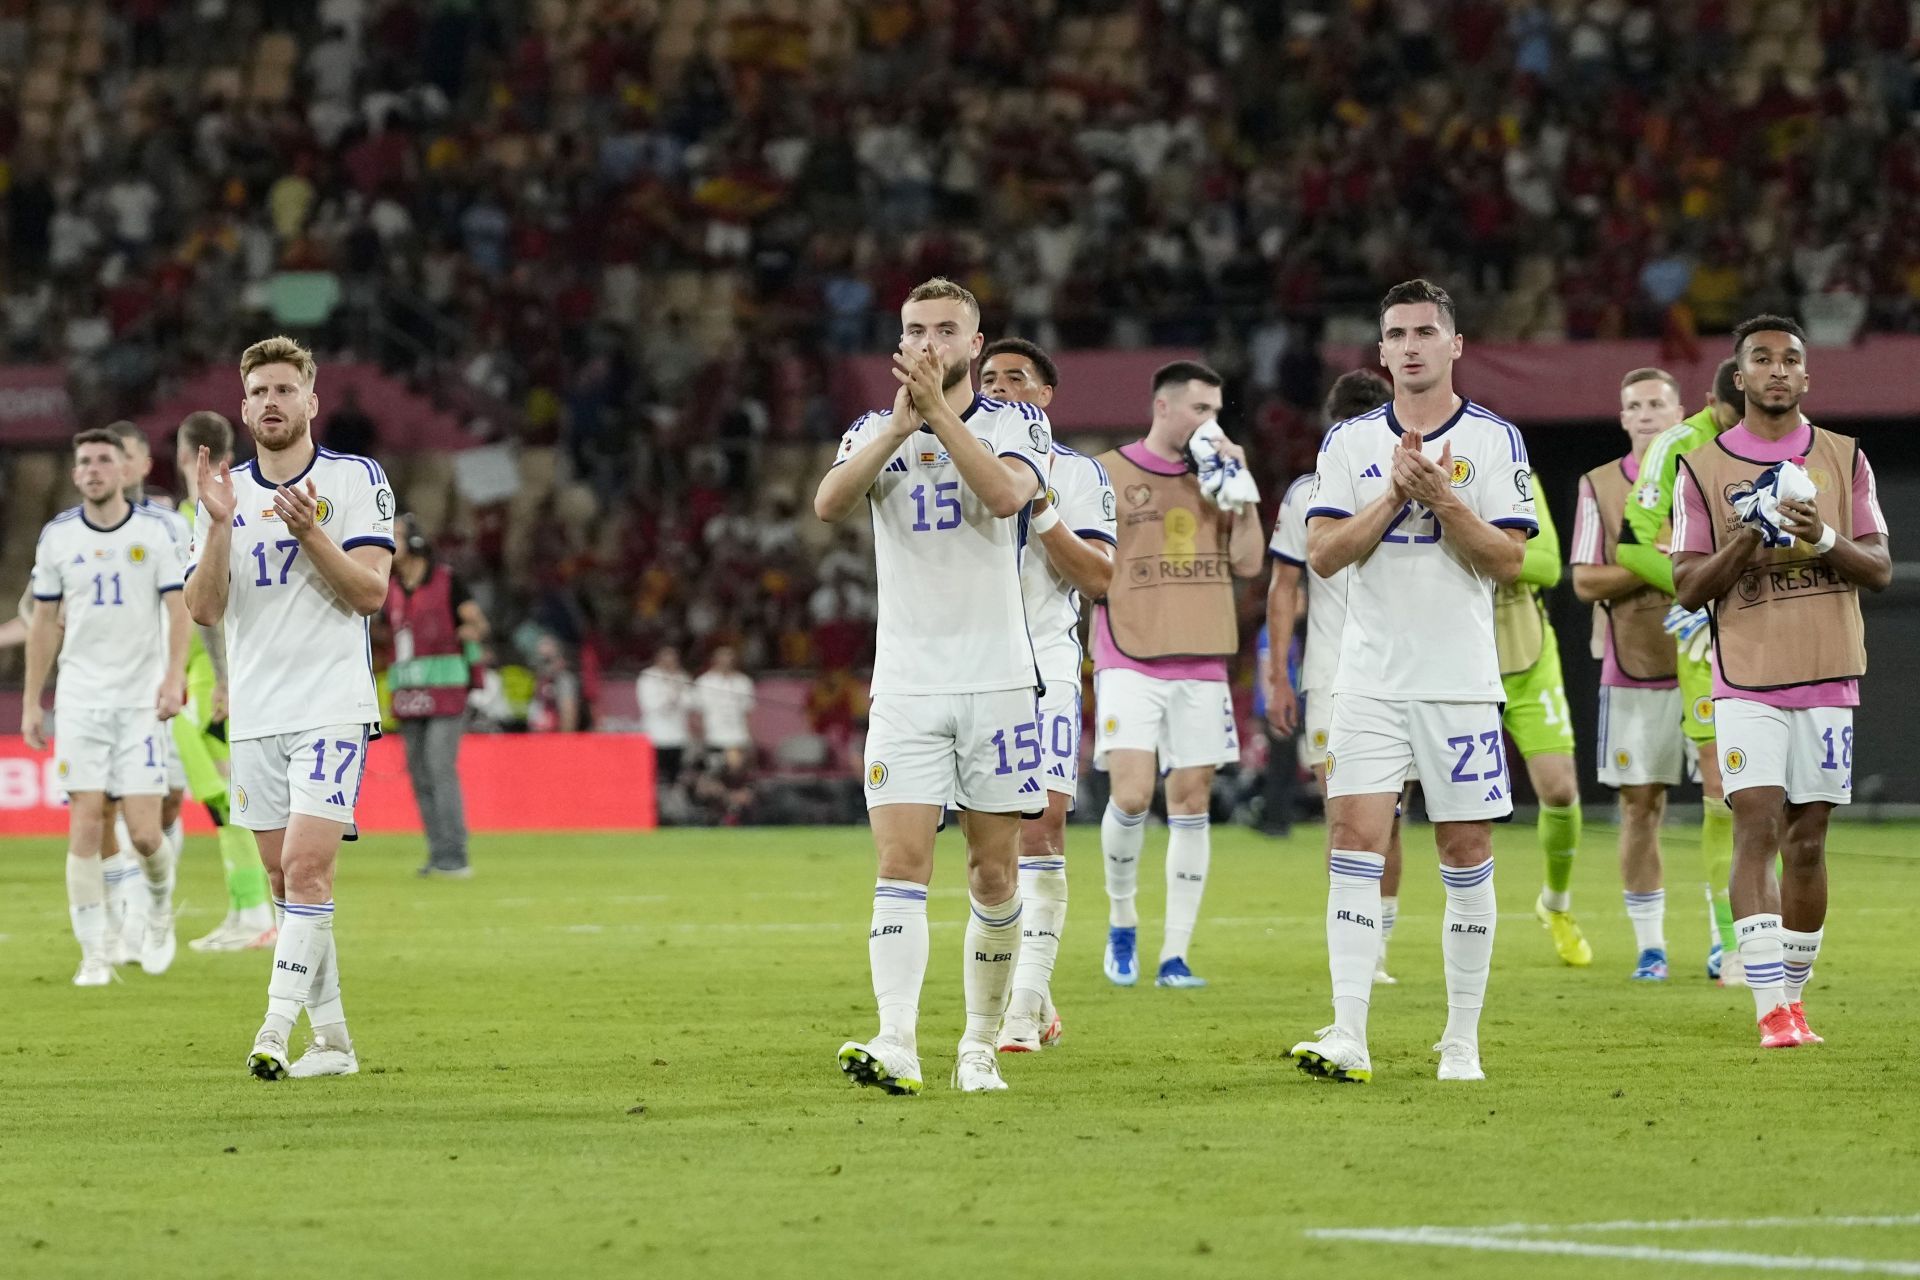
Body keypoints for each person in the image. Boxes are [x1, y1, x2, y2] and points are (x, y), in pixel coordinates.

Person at [1290, 279, 1537, 1084]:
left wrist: (1446, 501)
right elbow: (1323, 555)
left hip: (1460, 682)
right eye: (1396, 334)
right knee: (1352, 842)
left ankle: (1461, 1039)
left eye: (1426, 331)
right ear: (1383, 349)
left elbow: (1507, 559)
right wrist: (1396, 496)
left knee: (1464, 850)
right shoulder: (1349, 445)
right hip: (1366, 680)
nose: (1411, 346)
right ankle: (1348, 1033)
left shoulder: (1497, 441)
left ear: (1455, 345)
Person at [813, 276, 1052, 1095]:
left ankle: (979, 1046)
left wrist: (939, 418)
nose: (929, 344)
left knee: (994, 873)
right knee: (901, 860)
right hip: (909, 684)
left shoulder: (1019, 422)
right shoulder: (870, 429)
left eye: (947, 330)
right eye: (916, 330)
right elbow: (829, 503)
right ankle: (897, 1039)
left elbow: (1005, 497)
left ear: (975, 345)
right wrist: (897, 429)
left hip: (998, 682)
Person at [1673, 314, 1890, 1048]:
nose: (1776, 370)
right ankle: (1769, 1007)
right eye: (1760, 359)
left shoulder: (1844, 457)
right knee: (1756, 827)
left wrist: (1818, 536)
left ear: (1806, 375)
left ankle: (1795, 998)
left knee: (1808, 841)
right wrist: (1747, 533)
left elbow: (1881, 568)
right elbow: (1685, 585)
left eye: (1789, 359)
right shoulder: (1701, 467)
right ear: (1739, 377)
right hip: (1747, 675)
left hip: (1829, 674)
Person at [185, 334, 396, 1080]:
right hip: (258, 715)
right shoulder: (223, 496)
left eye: (285, 389)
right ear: (244, 411)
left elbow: (371, 594)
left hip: (332, 704)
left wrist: (310, 533)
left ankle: (273, 1030)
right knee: (282, 879)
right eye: (260, 393)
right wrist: (214, 527)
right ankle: (334, 1042)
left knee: (308, 870)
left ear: (312, 401)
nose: (272, 402)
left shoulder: (355, 478)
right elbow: (204, 610)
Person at [1091, 361, 1266, 990]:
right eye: (1200, 410)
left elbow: (1248, 564)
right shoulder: (1109, 472)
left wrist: (1241, 491)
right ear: (1163, 408)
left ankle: (1174, 955)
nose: (1210, 423)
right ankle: (1121, 920)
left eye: (1217, 411)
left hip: (1202, 657)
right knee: (1133, 795)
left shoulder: (1217, 477)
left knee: (1191, 800)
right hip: (1129, 653)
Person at [977, 336, 1115, 1054]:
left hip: (1045, 666)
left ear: (1046, 396)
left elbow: (1099, 579)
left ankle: (1024, 1010)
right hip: (968, 671)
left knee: (1042, 827)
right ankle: (1037, 987)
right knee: (987, 852)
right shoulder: (957, 462)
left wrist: (1043, 514)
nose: (1000, 388)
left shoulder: (1082, 475)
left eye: (1017, 378)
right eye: (989, 377)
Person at [23, 428, 189, 984]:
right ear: (75, 475)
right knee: (86, 824)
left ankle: (160, 909)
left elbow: (180, 608)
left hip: (139, 702)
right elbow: (44, 623)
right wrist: (31, 701)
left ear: (123, 471)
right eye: (84, 461)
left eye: (103, 460)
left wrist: (173, 679)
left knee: (144, 834)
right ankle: (94, 951)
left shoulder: (156, 534)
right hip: (80, 701)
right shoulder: (57, 538)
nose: (93, 469)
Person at [1267, 369, 1403, 983]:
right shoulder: (1308, 492)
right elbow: (1283, 585)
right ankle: (1356, 945)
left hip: (1400, 671)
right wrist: (1278, 673)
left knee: (1389, 815)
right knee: (1345, 813)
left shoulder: (1411, 479)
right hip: (1330, 673)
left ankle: (1378, 946)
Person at [1616, 356, 1746, 981]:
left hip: (1773, 634)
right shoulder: (1678, 446)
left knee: (1769, 800)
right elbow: (1631, 542)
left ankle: (1768, 937)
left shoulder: (1793, 443)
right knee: (1724, 796)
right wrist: (1694, 588)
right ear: (1712, 403)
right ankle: (1730, 942)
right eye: (1731, 418)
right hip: (1705, 643)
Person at [1570, 369, 1693, 980]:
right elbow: (1585, 580)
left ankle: (1730, 938)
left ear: (1680, 414)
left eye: (1656, 403)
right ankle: (1651, 946)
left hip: (1718, 668)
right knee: (1640, 806)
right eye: (1633, 406)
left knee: (1737, 806)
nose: (1645, 414)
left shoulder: (1709, 478)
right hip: (1635, 668)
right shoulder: (1599, 486)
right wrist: (1660, 565)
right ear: (1622, 419)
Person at [173, 411, 277, 951]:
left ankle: (257, 912)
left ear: (190, 453)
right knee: (220, 800)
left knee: (227, 800)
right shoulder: (216, 510)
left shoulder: (210, 514)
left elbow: (213, 607)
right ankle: (243, 910)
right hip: (201, 678)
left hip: (211, 681)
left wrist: (220, 680)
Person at [1489, 462, 1587, 970]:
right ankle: (1378, 947)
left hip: (1525, 654)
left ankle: (1556, 903)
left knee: (1559, 790)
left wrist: (1474, 544)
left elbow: (1547, 565)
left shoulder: (1515, 474)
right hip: (1449, 662)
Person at [384, 512, 487, 878]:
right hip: (409, 691)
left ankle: (455, 854)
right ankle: (438, 851)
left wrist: (468, 631)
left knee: (440, 768)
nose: (387, 540)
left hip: (445, 688)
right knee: (420, 773)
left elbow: (476, 622)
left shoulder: (446, 579)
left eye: (393, 534)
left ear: (413, 542)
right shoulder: (390, 585)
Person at [693, 645, 757, 773]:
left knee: (736, 774)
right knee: (714, 774)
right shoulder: (704, 682)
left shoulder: (743, 681)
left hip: (738, 737)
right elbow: (697, 713)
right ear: (715, 659)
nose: (726, 660)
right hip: (713, 737)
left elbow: (748, 712)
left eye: (729, 657)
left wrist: (751, 738)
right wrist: (701, 738)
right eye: (723, 656)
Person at [636, 646, 693, 782]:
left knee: (675, 776)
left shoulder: (682, 676)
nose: (670, 663)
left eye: (673, 660)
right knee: (655, 775)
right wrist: (672, 694)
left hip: (678, 735)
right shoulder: (647, 677)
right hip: (656, 735)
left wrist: (676, 688)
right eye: (666, 659)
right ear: (658, 659)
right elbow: (649, 705)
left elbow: (690, 702)